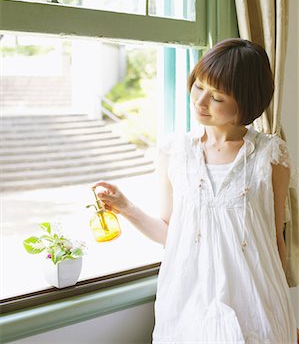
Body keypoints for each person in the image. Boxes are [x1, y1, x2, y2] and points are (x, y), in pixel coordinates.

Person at [92, 38, 298, 343]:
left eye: (216, 96)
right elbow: (171, 234)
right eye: (198, 86)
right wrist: (125, 207)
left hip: (256, 304)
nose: (200, 101)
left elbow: (272, 239)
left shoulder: (271, 156)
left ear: (246, 101)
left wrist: (282, 307)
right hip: (189, 301)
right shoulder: (174, 151)